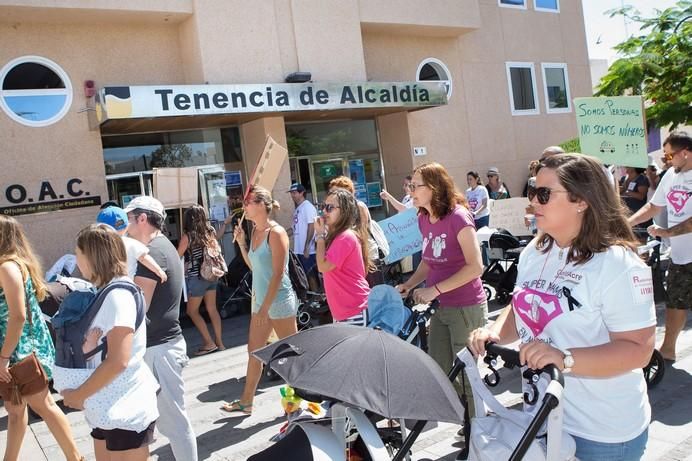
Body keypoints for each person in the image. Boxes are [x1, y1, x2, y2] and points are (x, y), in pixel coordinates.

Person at [469, 154, 656, 461]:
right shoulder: (536, 250)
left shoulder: (618, 264)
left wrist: (564, 359)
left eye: (544, 193)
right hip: (544, 417)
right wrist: (493, 334)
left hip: (602, 433)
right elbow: (521, 306)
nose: (532, 201)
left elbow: (638, 350)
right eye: (532, 190)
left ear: (581, 200)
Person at [59, 224, 159, 461]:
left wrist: (79, 395)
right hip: (108, 405)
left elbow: (118, 361)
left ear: (93, 255)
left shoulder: (118, 296)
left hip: (125, 406)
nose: (76, 260)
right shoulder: (109, 291)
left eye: (78, 253)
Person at [396, 162, 487, 419]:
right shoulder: (423, 218)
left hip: (465, 306)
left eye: (415, 186)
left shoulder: (458, 217)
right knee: (441, 369)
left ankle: (478, 430)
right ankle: (471, 421)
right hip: (440, 307)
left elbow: (476, 267)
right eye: (410, 185)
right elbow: (428, 259)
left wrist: (434, 290)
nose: (410, 190)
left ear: (434, 187)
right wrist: (410, 284)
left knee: (467, 373)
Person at [0, 216, 83, 461]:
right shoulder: (15, 264)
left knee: (43, 405)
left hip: (19, 350)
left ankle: (76, 458)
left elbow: (18, 316)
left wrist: (4, 357)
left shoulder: (7, 267)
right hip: (20, 348)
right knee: (15, 409)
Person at [124, 196, 198, 461]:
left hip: (159, 350)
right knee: (169, 423)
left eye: (128, 219)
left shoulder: (153, 252)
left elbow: (137, 307)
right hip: (161, 348)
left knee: (175, 425)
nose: (126, 226)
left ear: (142, 219)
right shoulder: (160, 246)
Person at [222, 186, 298, 414]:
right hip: (260, 301)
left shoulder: (276, 233)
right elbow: (254, 267)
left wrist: (265, 307)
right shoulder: (255, 231)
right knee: (254, 352)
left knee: (289, 354)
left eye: (249, 201)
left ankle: (297, 402)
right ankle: (246, 402)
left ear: (262, 205)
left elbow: (278, 273)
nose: (244, 205)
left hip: (278, 301)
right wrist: (243, 244)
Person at [629, 130, 691, 362]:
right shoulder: (671, 176)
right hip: (680, 255)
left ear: (685, 153)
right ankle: (668, 349)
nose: (666, 160)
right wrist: (627, 223)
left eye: (668, 156)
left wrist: (667, 232)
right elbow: (654, 207)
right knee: (676, 301)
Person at [314, 188, 371, 326]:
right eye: (323, 207)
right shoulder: (338, 236)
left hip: (354, 310)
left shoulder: (345, 236)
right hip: (345, 311)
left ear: (344, 211)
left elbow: (323, 266)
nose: (324, 212)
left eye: (330, 208)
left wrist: (320, 235)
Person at [176, 205, 226, 356]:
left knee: (192, 311)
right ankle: (220, 343)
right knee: (212, 308)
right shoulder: (209, 231)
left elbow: (177, 255)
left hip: (197, 277)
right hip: (212, 275)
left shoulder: (188, 237)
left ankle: (209, 342)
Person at [96, 206, 167, 282]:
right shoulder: (130, 243)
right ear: (126, 226)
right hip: (128, 284)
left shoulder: (98, 247)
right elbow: (143, 258)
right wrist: (158, 270)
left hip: (107, 286)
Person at [287, 183, 318, 275]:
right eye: (291, 193)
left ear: (302, 193)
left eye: (295, 192)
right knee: (305, 277)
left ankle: (316, 290)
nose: (292, 195)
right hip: (299, 250)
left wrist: (307, 247)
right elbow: (294, 229)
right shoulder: (298, 209)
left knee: (311, 276)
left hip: (308, 251)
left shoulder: (307, 207)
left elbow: (312, 226)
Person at [619, 167, 651, 232]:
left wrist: (628, 193)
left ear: (633, 167)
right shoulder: (624, 178)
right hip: (626, 211)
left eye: (627, 166)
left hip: (637, 213)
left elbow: (641, 196)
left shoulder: (642, 179)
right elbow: (621, 191)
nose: (625, 167)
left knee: (638, 236)